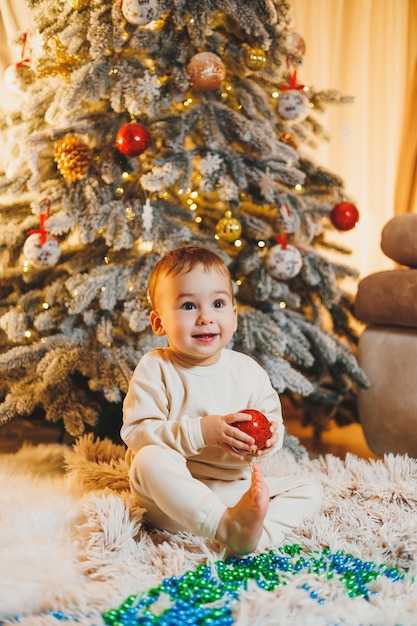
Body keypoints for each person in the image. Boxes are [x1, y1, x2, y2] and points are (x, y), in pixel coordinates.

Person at [121, 246, 321, 555]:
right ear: (158, 322)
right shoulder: (156, 368)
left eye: (217, 303)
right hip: (172, 498)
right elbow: (137, 433)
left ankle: (248, 536)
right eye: (188, 306)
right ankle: (224, 525)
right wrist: (202, 432)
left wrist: (269, 438)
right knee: (149, 460)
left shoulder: (248, 371)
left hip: (231, 490)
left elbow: (271, 419)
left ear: (234, 316)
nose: (205, 317)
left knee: (309, 490)